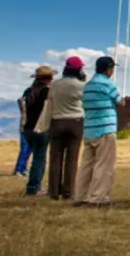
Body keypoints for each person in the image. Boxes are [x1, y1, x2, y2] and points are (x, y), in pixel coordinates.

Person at [76, 56, 124, 207]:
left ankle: (81, 196)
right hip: (105, 129)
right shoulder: (107, 83)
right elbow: (121, 102)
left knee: (86, 166)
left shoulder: (88, 85)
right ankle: (98, 198)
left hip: (89, 130)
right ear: (108, 69)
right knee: (104, 165)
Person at [47, 56, 86, 200]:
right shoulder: (80, 85)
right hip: (76, 122)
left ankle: (53, 191)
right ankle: (68, 192)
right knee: (72, 159)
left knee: (55, 158)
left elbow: (50, 100)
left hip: (57, 121)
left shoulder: (55, 85)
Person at [21, 65, 55, 196]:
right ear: (49, 78)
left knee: (37, 157)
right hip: (41, 128)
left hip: (28, 129)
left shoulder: (29, 91)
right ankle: (34, 188)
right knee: (39, 159)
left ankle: (35, 186)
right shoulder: (47, 92)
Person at [13, 94, 32, 176]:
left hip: (32, 129)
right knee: (24, 149)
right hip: (24, 129)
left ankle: (23, 168)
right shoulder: (24, 107)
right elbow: (20, 100)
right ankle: (18, 169)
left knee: (29, 150)